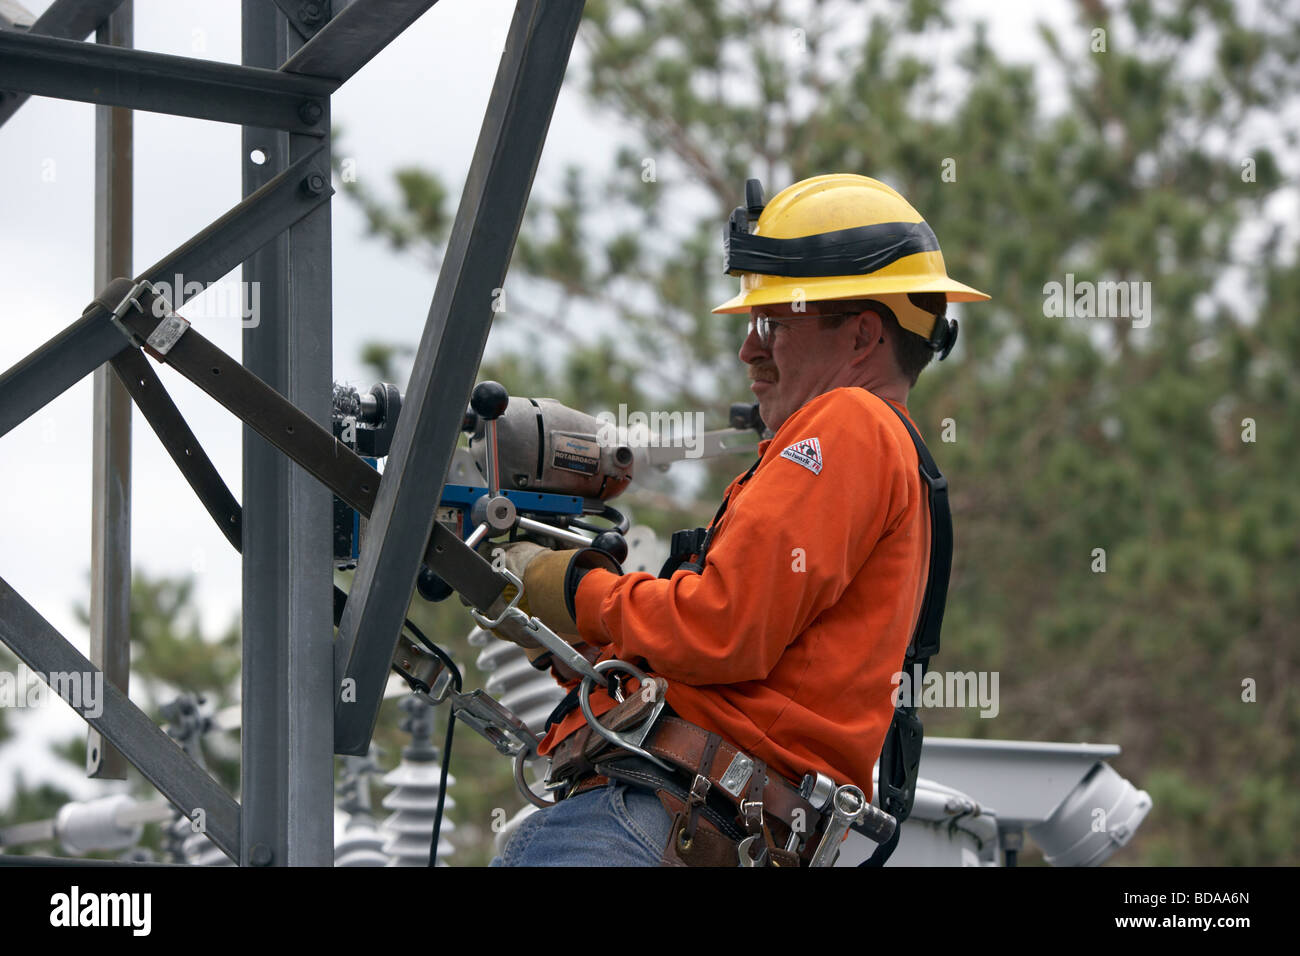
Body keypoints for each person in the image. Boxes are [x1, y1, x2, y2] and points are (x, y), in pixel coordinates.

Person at [487, 173, 988, 866]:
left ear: (863, 334)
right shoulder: (878, 453)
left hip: (659, 819)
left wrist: (579, 592)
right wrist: (579, 642)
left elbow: (722, 627)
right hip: (696, 822)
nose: (750, 349)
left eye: (773, 323)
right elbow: (743, 665)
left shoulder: (849, 424)